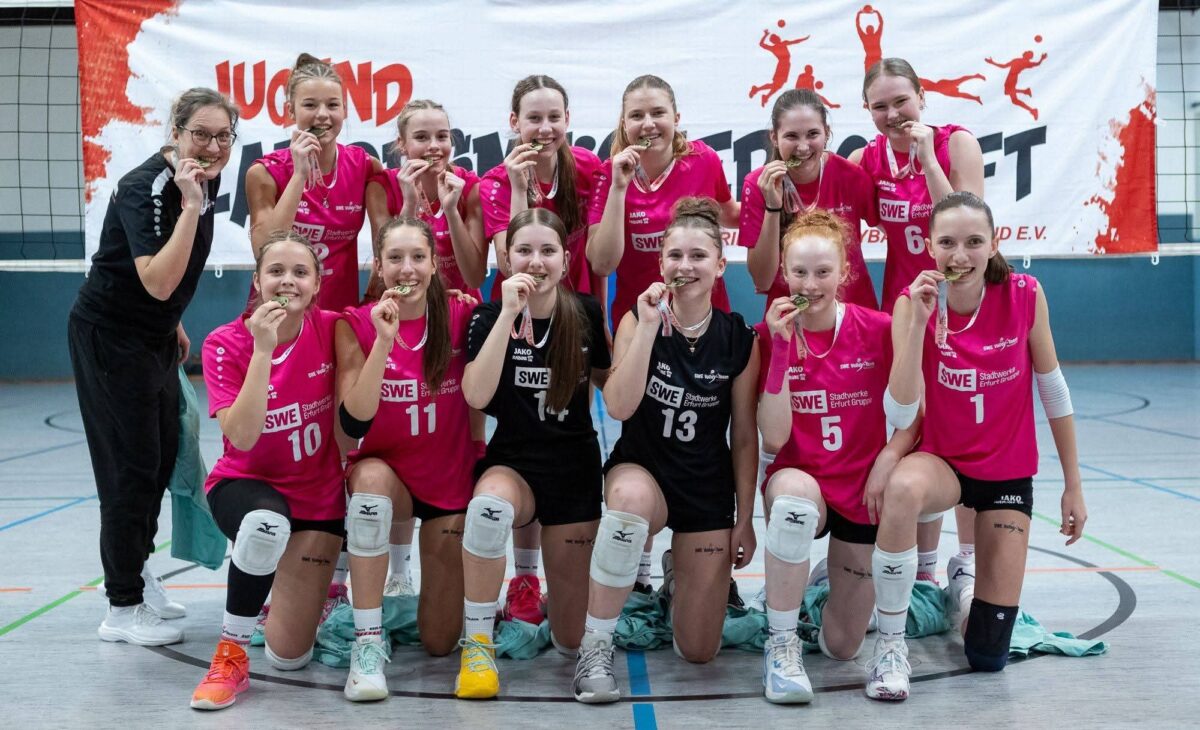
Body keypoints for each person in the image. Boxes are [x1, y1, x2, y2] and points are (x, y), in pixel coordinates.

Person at [865, 192, 1087, 701]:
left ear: (993, 244)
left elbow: (1053, 389)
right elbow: (901, 412)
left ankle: (961, 595)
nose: (959, 255)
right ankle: (891, 645)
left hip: (1006, 474)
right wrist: (918, 326)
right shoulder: (911, 303)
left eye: (972, 242)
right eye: (947, 242)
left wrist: (1073, 485)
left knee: (988, 656)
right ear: (929, 246)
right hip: (944, 462)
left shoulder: (1025, 294)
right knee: (902, 488)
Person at [69, 87, 238, 646]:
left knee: (165, 455)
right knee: (130, 468)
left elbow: (170, 281)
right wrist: (190, 206)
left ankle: (135, 572)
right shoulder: (147, 188)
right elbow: (158, 280)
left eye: (223, 136)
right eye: (200, 134)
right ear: (175, 131)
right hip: (111, 338)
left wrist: (174, 323)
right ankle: (121, 607)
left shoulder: (205, 180)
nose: (212, 146)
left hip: (154, 335)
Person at [574, 198, 758, 704]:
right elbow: (617, 406)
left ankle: (679, 575)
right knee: (628, 505)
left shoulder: (739, 338)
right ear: (660, 263)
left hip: (705, 486)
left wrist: (744, 519)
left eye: (698, 256)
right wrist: (650, 327)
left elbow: (745, 437)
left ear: (720, 265)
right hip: (644, 471)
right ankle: (596, 646)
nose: (685, 266)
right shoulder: (639, 319)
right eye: (675, 255)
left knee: (698, 651)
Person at [755, 210, 916, 703]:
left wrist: (888, 458)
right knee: (794, 505)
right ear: (784, 272)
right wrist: (781, 350)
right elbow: (774, 438)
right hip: (800, 480)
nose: (810, 284)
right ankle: (781, 644)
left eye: (823, 272)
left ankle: (817, 589)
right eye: (799, 272)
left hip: (861, 489)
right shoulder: (768, 334)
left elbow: (915, 413)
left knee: (843, 646)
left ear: (844, 272)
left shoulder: (879, 329)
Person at [455, 209, 611, 700]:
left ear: (565, 260)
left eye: (548, 251)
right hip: (514, 465)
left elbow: (611, 387)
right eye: (524, 250)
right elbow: (476, 395)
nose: (536, 262)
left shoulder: (585, 312)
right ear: (507, 259)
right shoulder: (488, 316)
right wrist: (507, 314)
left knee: (569, 641)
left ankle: (565, 625)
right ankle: (478, 645)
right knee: (487, 510)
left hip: (574, 470)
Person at [191, 231, 347, 710]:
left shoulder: (334, 328)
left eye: (300, 272)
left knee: (288, 657)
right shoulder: (224, 343)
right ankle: (231, 654)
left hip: (317, 498)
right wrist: (263, 350)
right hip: (246, 485)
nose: (288, 281)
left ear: (317, 284)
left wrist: (451, 298)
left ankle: (280, 583)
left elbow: (399, 317)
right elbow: (242, 436)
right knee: (264, 527)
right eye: (276, 271)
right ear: (257, 281)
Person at [335, 216, 477, 700]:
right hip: (387, 475)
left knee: (439, 642)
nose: (407, 269)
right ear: (378, 266)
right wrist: (384, 341)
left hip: (447, 485)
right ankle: (367, 643)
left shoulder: (462, 316)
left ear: (435, 265)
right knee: (370, 486)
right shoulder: (355, 324)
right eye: (394, 258)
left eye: (418, 257)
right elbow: (354, 420)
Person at [480, 74, 605, 622]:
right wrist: (516, 188)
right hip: (518, 319)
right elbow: (509, 258)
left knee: (568, 430)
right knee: (520, 435)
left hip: (576, 321)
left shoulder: (591, 170)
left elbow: (601, 252)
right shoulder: (495, 180)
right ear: (514, 123)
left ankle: (593, 575)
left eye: (554, 117)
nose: (545, 127)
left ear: (568, 119)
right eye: (533, 118)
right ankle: (524, 579)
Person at [587, 74, 740, 330]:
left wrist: (779, 208)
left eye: (658, 113)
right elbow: (602, 264)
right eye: (637, 116)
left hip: (705, 318)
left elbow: (731, 215)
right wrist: (618, 189)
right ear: (624, 124)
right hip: (639, 319)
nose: (648, 124)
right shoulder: (609, 175)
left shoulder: (704, 160)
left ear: (676, 118)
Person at [246, 53, 383, 311]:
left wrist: (370, 298)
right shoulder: (264, 173)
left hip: (339, 317)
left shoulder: (366, 167)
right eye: (310, 105)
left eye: (333, 105)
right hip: (278, 314)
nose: (322, 115)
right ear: (291, 110)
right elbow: (263, 249)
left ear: (344, 109)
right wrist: (299, 174)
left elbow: (385, 249)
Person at [850, 57, 983, 313]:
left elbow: (966, 227)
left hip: (961, 295)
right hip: (904, 300)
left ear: (921, 96)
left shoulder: (957, 144)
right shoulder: (864, 161)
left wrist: (929, 162)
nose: (892, 114)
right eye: (880, 106)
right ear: (868, 109)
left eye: (901, 101)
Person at [741, 88, 878, 318]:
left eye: (812, 134)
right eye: (791, 136)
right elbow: (762, 280)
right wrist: (773, 207)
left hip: (854, 316)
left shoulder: (852, 177)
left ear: (827, 133)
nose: (803, 147)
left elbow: (892, 229)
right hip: (790, 318)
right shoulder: (757, 185)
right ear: (774, 137)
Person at [365, 99, 486, 300]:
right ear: (402, 144)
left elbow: (474, 278)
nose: (434, 146)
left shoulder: (470, 186)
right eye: (421, 137)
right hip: (403, 304)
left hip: (460, 304)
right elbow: (384, 272)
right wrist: (410, 205)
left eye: (442, 136)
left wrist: (452, 212)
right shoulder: (381, 187)